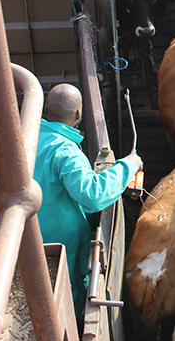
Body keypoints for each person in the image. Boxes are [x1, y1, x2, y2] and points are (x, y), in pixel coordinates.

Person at [34, 84, 142, 318]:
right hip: (61, 246)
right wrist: (128, 165)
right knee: (63, 302)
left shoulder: (27, 139)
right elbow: (92, 195)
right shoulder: (65, 151)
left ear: (46, 110)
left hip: (27, 239)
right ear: (78, 114)